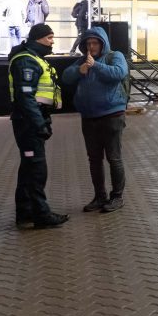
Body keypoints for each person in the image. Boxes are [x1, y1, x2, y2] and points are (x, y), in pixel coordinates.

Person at [61, 26, 129, 214]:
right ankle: (100, 196)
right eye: (88, 43)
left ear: (102, 43)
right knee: (94, 160)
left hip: (112, 115)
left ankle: (117, 197)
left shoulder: (115, 56)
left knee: (114, 158)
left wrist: (96, 66)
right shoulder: (83, 60)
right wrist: (80, 70)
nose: (91, 46)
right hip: (89, 117)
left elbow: (118, 73)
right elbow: (66, 77)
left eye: (95, 43)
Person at [8, 23, 68, 229]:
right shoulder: (26, 60)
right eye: (49, 38)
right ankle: (41, 214)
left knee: (29, 168)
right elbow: (25, 97)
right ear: (38, 38)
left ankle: (25, 213)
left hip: (32, 120)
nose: (52, 42)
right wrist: (38, 124)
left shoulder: (34, 59)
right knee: (36, 169)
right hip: (29, 123)